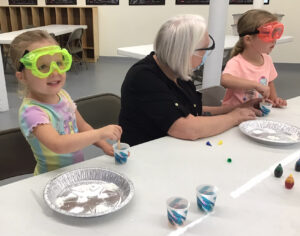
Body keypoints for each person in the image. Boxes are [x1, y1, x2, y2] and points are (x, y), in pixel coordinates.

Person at [119, 14, 261, 146]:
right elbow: (188, 128)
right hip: (147, 153)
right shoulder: (143, 77)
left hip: (173, 147)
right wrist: (233, 117)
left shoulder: (177, 70)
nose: (206, 54)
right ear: (184, 52)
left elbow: (191, 110)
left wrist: (235, 108)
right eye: (203, 50)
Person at [10, 30, 122, 175]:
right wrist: (99, 134)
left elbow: (82, 126)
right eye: (42, 67)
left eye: (58, 63)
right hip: (50, 178)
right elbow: (58, 145)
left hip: (73, 172)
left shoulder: (63, 96)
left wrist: (104, 146)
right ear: (22, 77)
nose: (55, 72)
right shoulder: (32, 112)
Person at [221, 9, 287, 108]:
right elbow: (225, 80)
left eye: (275, 33)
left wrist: (274, 100)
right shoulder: (237, 62)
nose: (274, 40)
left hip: (256, 114)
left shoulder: (267, 59)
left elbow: (269, 82)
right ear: (248, 39)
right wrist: (255, 85)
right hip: (234, 114)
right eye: (268, 34)